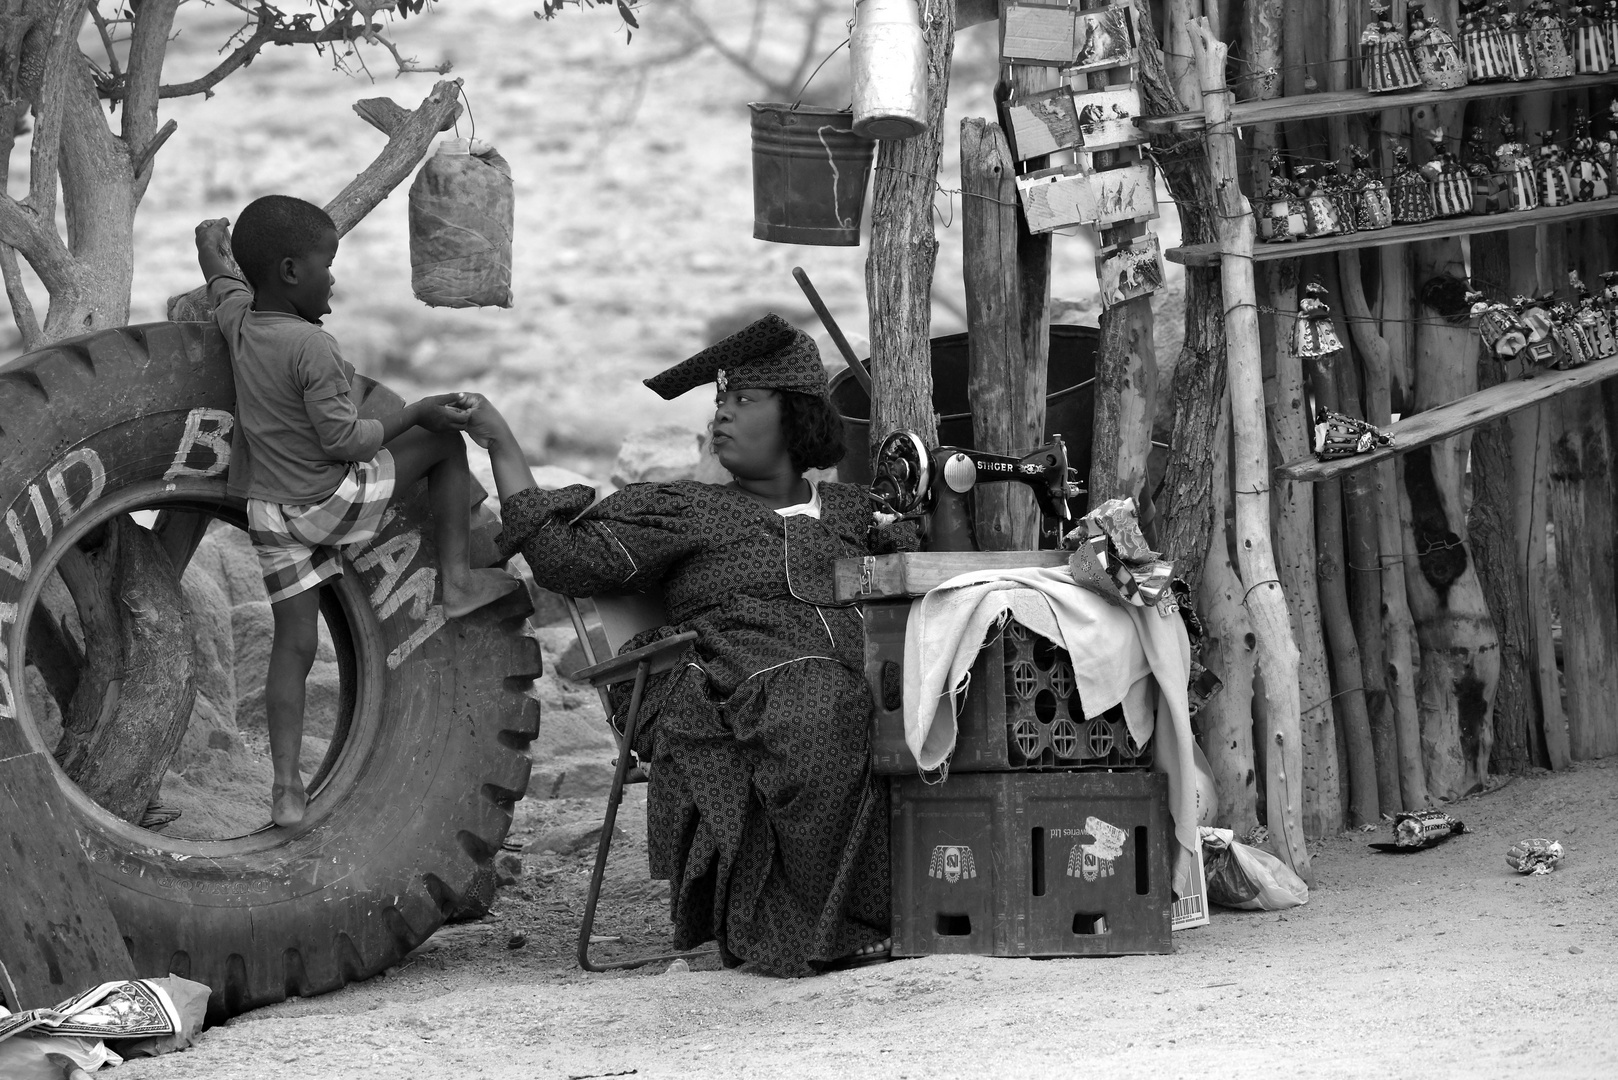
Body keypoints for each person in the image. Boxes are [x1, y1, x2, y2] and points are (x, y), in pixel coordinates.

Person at [464, 314, 898, 975]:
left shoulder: (854, 512)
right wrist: (499, 440)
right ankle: (820, 927)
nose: (721, 415)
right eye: (719, 401)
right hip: (736, 689)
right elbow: (562, 560)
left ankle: (916, 904)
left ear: (797, 417)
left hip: (855, 682)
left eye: (743, 400)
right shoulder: (686, 510)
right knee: (822, 702)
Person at [194, 197, 519, 829]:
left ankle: (286, 790)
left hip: (270, 515)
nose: (333, 279)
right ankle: (457, 581)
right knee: (445, 445)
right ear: (291, 272)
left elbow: (224, 278)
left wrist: (212, 243)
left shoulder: (238, 321)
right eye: (327, 266)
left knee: (293, 647)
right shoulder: (313, 346)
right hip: (330, 505)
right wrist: (417, 412)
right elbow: (346, 442)